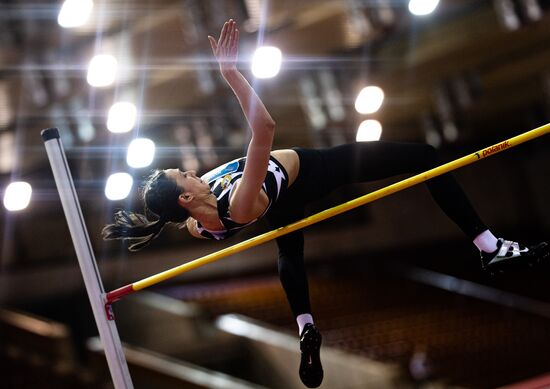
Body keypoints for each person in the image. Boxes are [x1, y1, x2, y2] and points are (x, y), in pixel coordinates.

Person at [103, 19, 549, 388]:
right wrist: (232, 75)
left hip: (281, 205)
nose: (189, 170)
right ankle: (490, 247)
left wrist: (160, 210)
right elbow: (265, 129)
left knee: (287, 245)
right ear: (185, 196)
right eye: (182, 175)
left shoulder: (199, 222)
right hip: (313, 172)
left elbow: (182, 218)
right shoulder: (236, 205)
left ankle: (305, 326)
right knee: (426, 159)